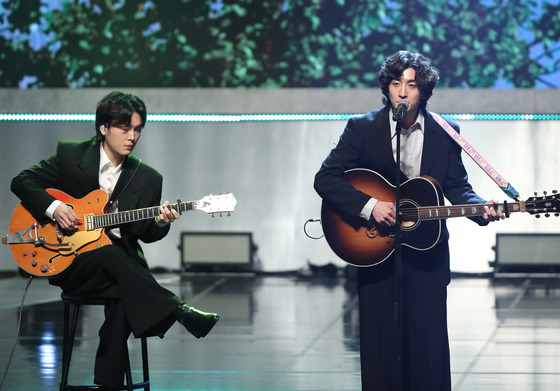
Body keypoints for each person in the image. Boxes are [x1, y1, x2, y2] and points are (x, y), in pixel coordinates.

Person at [314, 51, 504, 390]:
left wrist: (480, 208)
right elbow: (326, 179)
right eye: (396, 83)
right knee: (379, 346)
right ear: (386, 88)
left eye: (412, 85)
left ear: (424, 91)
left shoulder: (446, 131)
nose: (402, 92)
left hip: (427, 254)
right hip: (375, 249)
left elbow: (457, 186)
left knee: (428, 348)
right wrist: (370, 205)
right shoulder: (363, 128)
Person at [11, 91, 220, 389]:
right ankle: (178, 310)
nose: (132, 136)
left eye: (137, 129)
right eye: (125, 128)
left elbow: (145, 235)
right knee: (116, 264)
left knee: (123, 290)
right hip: (70, 262)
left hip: (119, 268)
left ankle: (108, 385)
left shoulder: (148, 178)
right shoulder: (71, 156)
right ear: (104, 128)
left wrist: (161, 221)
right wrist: (55, 207)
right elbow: (21, 181)